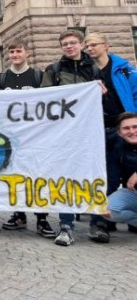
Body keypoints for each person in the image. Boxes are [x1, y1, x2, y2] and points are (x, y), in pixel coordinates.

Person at [41, 30, 101, 246]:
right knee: (65, 178)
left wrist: (101, 92)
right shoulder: (54, 70)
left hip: (89, 131)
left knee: (93, 175)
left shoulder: (95, 68)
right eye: (64, 44)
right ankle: (66, 226)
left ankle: (97, 223)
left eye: (72, 43)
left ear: (81, 44)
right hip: (64, 133)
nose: (68, 46)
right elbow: (44, 98)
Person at [0, 38, 55, 238]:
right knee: (15, 176)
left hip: (35, 137)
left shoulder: (38, 76)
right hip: (11, 138)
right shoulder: (1, 79)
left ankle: (42, 218)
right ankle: (19, 215)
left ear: (27, 53)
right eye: (12, 52)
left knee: (37, 175)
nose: (15, 55)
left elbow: (50, 101)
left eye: (19, 51)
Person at [84, 32, 137, 241]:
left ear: (105, 46)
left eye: (93, 45)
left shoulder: (124, 69)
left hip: (123, 128)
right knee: (106, 177)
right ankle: (99, 223)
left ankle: (128, 217)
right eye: (87, 46)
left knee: (129, 171)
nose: (89, 48)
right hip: (98, 129)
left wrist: (133, 123)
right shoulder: (88, 71)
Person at [107, 113, 137, 228]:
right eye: (126, 128)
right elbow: (112, 181)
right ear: (119, 133)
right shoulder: (118, 150)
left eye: (135, 127)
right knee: (106, 210)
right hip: (133, 193)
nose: (132, 131)